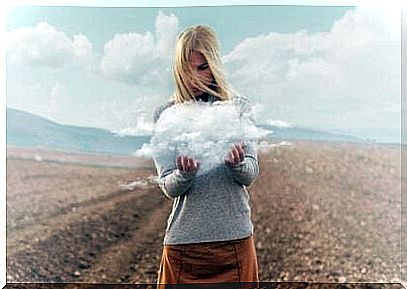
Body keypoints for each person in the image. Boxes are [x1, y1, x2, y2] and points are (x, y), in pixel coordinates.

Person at [153, 25, 260, 288]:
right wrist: (185, 174)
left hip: (234, 245)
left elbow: (251, 173)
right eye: (187, 68)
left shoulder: (238, 108)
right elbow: (168, 186)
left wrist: (237, 164)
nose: (194, 77)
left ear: (214, 65)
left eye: (202, 67)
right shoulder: (166, 115)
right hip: (184, 251)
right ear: (178, 69)